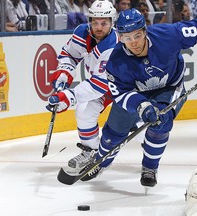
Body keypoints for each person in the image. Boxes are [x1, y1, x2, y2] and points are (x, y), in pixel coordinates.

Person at [48, 8, 197, 187]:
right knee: (113, 133)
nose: (134, 43)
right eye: (127, 38)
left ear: (145, 31)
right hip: (135, 93)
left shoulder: (168, 35)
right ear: (120, 37)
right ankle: (101, 162)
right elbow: (122, 95)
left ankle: (150, 167)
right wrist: (142, 106)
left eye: (137, 36)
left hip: (169, 87)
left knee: (161, 123)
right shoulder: (116, 61)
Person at [46, 0, 118, 173]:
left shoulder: (114, 44)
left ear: (111, 22)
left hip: (123, 87)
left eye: (104, 23)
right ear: (89, 21)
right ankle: (92, 152)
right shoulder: (82, 33)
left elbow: (98, 86)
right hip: (103, 85)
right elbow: (69, 54)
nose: (99, 27)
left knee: (137, 125)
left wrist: (67, 97)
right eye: (95, 22)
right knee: (84, 111)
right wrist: (64, 72)